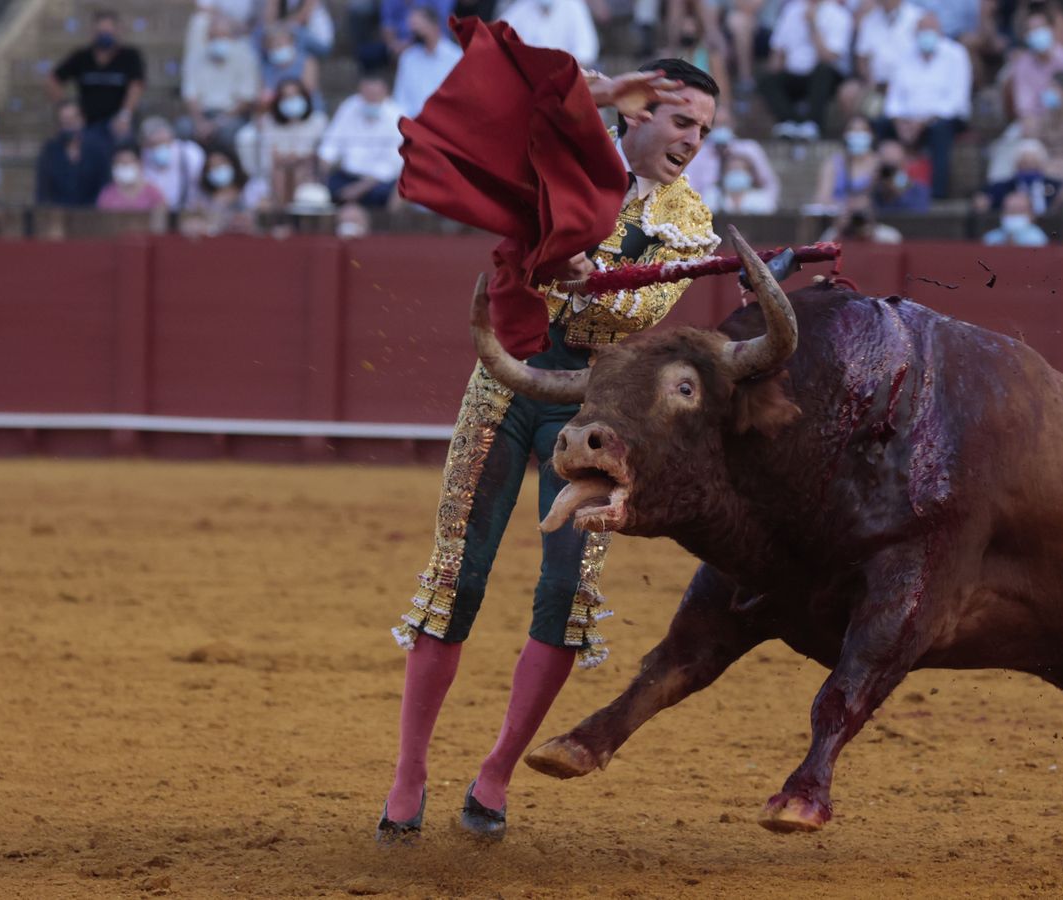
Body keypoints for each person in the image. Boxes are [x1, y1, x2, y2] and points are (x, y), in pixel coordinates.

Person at [381, 52, 723, 844]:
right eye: (682, 122)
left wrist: (580, 273)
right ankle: (409, 775)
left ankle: (496, 773)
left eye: (704, 130)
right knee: (455, 578)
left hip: (595, 411)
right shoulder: (560, 157)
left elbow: (638, 314)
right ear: (637, 112)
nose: (693, 141)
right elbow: (507, 155)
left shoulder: (692, 222)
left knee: (565, 596)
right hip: (508, 381)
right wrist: (558, 263)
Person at [877, 13, 972, 198]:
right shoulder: (904, 56)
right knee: (881, 126)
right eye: (922, 30)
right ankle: (886, 192)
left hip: (944, 119)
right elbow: (894, 99)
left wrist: (923, 121)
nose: (926, 35)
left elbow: (956, 101)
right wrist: (900, 122)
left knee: (939, 132)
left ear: (940, 32)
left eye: (931, 30)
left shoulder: (956, 54)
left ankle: (937, 195)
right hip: (907, 120)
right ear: (915, 33)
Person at [47, 9, 146, 145]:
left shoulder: (129, 56)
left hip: (117, 122)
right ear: (93, 32)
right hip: (87, 123)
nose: (104, 35)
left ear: (117, 31)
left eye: (108, 31)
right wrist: (66, 107)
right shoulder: (81, 57)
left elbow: (136, 86)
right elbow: (53, 80)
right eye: (100, 31)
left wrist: (125, 115)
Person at [760, 0, 855, 139]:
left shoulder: (838, 15)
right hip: (796, 74)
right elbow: (778, 50)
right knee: (767, 80)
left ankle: (813, 124)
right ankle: (791, 122)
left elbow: (829, 57)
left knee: (823, 71)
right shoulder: (791, 10)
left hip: (827, 76)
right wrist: (774, 74)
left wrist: (812, 24)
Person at [318, 75, 404, 207]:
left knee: (383, 195)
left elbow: (392, 165)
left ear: (385, 93)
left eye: (375, 95)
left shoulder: (397, 116)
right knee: (318, 193)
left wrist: (360, 188)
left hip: (378, 182)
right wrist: (324, 164)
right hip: (347, 177)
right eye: (366, 94)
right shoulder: (350, 106)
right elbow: (332, 142)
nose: (370, 99)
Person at [1000, 4, 1063, 125]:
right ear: (1026, 37)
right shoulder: (1022, 65)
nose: (1037, 33)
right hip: (1038, 125)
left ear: (1052, 29)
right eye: (1032, 30)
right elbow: (1025, 111)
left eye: (1040, 27)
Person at [182, 14, 261, 146]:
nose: (218, 41)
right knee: (183, 129)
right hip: (203, 114)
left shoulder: (245, 57)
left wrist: (216, 124)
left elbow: (246, 100)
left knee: (228, 134)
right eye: (214, 37)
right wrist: (200, 122)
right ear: (207, 38)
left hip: (231, 116)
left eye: (223, 36)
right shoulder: (196, 57)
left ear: (232, 38)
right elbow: (191, 96)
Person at [252, 78, 330, 208]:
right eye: (286, 97)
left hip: (308, 171)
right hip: (277, 171)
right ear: (279, 101)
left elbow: (321, 153)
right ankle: (282, 215)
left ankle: (298, 215)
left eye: (295, 96)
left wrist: (299, 158)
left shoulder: (319, 121)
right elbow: (271, 155)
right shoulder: (269, 122)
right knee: (280, 173)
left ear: (305, 97)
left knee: (300, 170)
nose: (291, 101)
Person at [840, 0, 924, 119]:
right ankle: (860, 131)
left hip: (908, 84)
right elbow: (862, 57)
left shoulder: (918, 18)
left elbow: (924, 57)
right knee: (849, 93)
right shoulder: (869, 20)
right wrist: (869, 80)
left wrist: (901, 83)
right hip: (877, 83)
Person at [685, 106, 779, 209]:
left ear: (733, 124)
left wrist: (765, 206)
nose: (721, 128)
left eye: (725, 123)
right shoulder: (697, 154)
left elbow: (770, 184)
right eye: (717, 124)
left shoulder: (749, 149)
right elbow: (689, 189)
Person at [35, 101, 110, 207]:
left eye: (73, 119)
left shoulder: (97, 149)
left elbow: (104, 185)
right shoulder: (50, 151)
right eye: (65, 120)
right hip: (58, 215)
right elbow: (43, 190)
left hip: (92, 214)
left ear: (82, 119)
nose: (69, 123)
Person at [393, 5, 462, 117]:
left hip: (446, 123)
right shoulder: (408, 58)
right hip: (413, 124)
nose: (414, 33)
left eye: (418, 28)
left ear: (435, 27)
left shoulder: (456, 57)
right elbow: (400, 98)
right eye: (412, 29)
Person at [498, 0, 601, 65]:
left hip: (564, 79)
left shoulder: (574, 6)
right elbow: (499, 37)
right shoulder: (521, 7)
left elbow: (586, 50)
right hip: (527, 79)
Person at [811, 114, 880, 209]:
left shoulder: (879, 164)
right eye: (853, 130)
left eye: (863, 130)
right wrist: (846, 205)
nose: (858, 135)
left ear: (872, 134)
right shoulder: (833, 163)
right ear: (845, 135)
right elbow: (821, 198)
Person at [139, 116, 205, 212]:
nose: (160, 147)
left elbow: (201, 181)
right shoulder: (143, 157)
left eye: (164, 142)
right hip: (156, 213)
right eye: (154, 144)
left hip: (188, 210)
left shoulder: (190, 152)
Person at [260, 23, 321, 112]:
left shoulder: (307, 61)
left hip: (309, 110)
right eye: (273, 45)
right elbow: (265, 95)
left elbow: (309, 88)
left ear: (291, 42)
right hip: (279, 115)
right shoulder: (267, 68)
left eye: (280, 43)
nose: (277, 47)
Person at [96, 145, 168, 211]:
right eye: (120, 163)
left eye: (127, 163)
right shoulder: (107, 196)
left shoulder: (154, 194)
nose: (124, 167)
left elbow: (162, 220)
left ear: (139, 164)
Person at [264, 0, 337, 58]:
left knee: (295, 35)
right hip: (288, 32)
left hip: (319, 42)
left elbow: (303, 17)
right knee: (263, 34)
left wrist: (279, 28)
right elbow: (269, 19)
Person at [380, 0, 454, 57]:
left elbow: (438, 26)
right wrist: (393, 45)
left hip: (435, 45)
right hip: (402, 48)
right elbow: (387, 25)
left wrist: (408, 45)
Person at [983, 189, 1051, 245]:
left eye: (1019, 211)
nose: (1015, 215)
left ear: (1031, 215)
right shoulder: (990, 238)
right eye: (1011, 211)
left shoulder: (1038, 239)